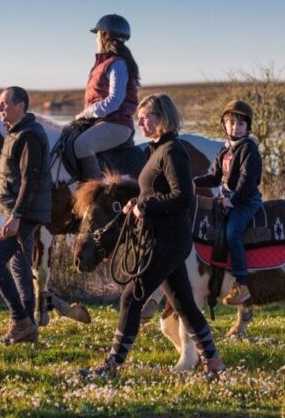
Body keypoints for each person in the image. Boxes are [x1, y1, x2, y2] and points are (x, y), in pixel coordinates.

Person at [81, 93, 226, 378]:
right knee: (184, 304)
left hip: (167, 240)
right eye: (140, 118)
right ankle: (214, 363)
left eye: (146, 117)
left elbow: (183, 197)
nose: (140, 122)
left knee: (131, 297)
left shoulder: (172, 151)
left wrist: (144, 205)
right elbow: (156, 191)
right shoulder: (158, 150)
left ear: (163, 118)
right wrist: (135, 203)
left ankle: (112, 365)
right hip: (163, 238)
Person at [0, 86, 52, 345]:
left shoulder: (30, 136)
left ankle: (20, 320)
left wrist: (17, 216)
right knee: (17, 265)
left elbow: (30, 181)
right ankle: (28, 328)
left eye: (4, 103)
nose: (0, 108)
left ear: (21, 105)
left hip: (25, 213)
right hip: (21, 212)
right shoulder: (16, 133)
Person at [193, 100, 262, 305]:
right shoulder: (224, 150)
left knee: (233, 233)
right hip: (227, 200)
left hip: (246, 201)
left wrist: (235, 198)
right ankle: (212, 276)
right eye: (231, 122)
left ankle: (241, 283)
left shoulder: (249, 149)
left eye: (240, 124)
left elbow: (248, 179)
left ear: (247, 127)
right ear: (224, 125)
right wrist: (193, 182)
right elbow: (214, 177)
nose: (235, 127)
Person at [73, 14, 140, 181]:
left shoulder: (117, 64)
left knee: (83, 145)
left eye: (97, 35)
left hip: (117, 124)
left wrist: (86, 113)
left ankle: (93, 193)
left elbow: (114, 101)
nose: (96, 39)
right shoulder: (103, 63)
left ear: (104, 35)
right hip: (103, 122)